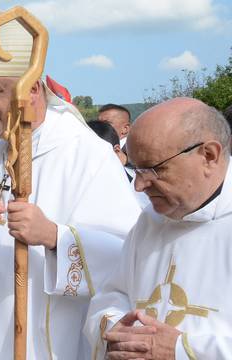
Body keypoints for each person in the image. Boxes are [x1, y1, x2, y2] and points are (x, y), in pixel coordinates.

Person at [0, 10, 141, 360]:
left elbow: (125, 250)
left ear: (33, 89)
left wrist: (54, 236)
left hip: (41, 335)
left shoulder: (86, 154)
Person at [85, 98, 232, 359]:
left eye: (153, 169)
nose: (139, 186)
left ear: (209, 155)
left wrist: (181, 351)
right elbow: (114, 293)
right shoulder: (150, 221)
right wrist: (117, 328)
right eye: (136, 170)